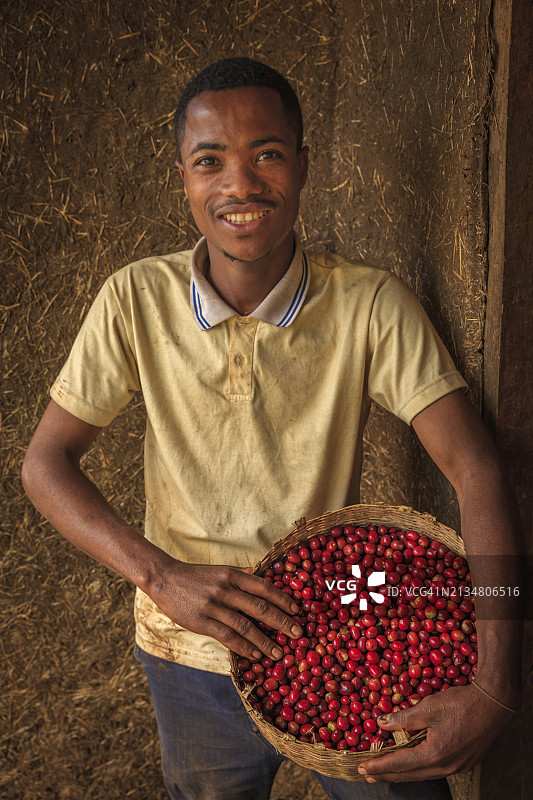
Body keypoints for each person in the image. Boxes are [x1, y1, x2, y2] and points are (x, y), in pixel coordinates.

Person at [22, 57, 522, 800]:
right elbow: (44, 464)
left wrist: (496, 683)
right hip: (188, 651)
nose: (240, 185)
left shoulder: (369, 304)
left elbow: (475, 469)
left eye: (267, 154)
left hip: (344, 639)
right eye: (210, 161)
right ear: (182, 178)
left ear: (303, 165)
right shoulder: (134, 299)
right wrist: (159, 576)